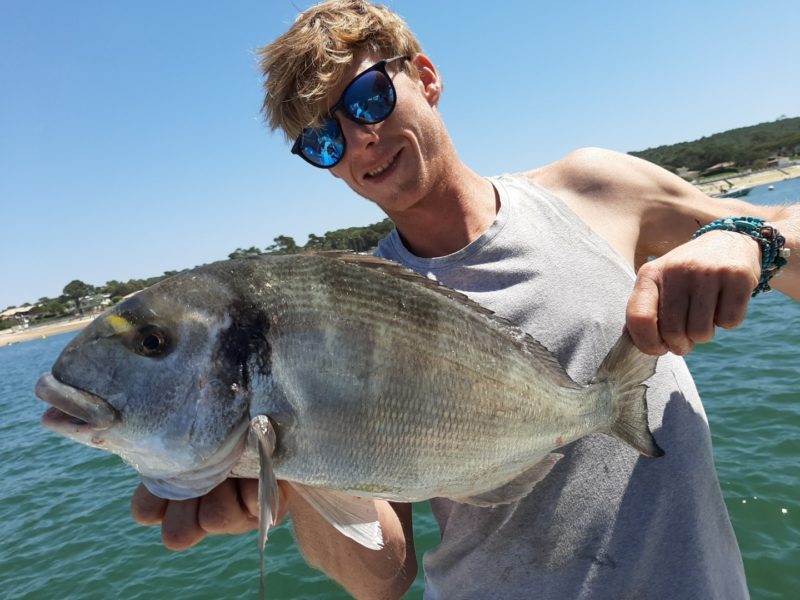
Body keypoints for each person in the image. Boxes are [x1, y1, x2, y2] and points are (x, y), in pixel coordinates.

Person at [131, 1, 799, 598]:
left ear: (424, 76)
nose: (360, 139)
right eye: (324, 140)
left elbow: (785, 229)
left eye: (367, 99)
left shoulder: (594, 191)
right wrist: (292, 467)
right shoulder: (341, 319)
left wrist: (748, 241)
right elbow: (383, 578)